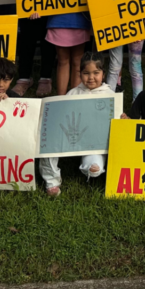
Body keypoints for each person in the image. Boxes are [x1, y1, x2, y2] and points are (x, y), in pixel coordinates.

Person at [41, 53, 114, 195]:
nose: (91, 77)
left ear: (103, 74)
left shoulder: (110, 95)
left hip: (94, 145)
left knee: (95, 170)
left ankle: (93, 165)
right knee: (46, 144)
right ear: (80, 74)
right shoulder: (73, 93)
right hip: (70, 139)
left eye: (96, 73)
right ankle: (52, 181)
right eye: (86, 73)